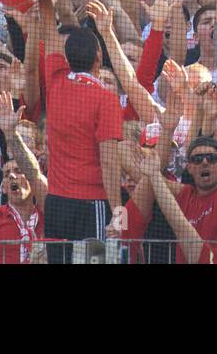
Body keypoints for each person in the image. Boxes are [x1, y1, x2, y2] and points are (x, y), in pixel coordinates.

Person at [40, 23, 122, 263]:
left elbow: (49, 30)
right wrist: (117, 211)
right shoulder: (106, 99)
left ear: (66, 57)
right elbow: (109, 161)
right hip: (91, 204)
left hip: (55, 204)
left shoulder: (55, 81)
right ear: (99, 56)